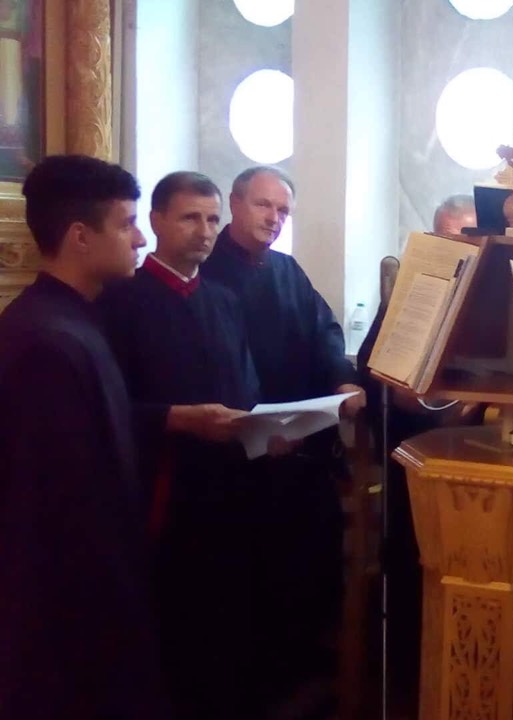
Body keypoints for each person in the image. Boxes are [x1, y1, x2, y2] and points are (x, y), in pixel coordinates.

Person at [0, 155, 166, 718]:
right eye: (127, 224)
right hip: (67, 618)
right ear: (79, 236)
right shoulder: (46, 342)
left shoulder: (73, 322)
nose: (140, 239)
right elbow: (62, 508)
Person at [200, 165, 366, 716]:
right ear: (234, 203)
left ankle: (307, 672)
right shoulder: (206, 275)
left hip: (302, 447)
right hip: (239, 458)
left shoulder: (287, 270)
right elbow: (220, 364)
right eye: (264, 205)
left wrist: (341, 379)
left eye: (283, 211)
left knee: (313, 559)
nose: (274, 219)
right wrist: (261, 428)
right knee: (252, 577)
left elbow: (324, 331)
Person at [98, 171, 264, 719]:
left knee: (228, 621)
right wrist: (179, 421)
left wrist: (267, 428)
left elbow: (247, 388)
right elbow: (107, 406)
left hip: (229, 487)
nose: (205, 231)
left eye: (213, 219)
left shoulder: (224, 300)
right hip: (163, 490)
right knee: (172, 626)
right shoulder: (121, 300)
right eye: (190, 217)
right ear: (156, 221)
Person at [355, 193, 478, 715]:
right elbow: (373, 365)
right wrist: (406, 394)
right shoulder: (413, 287)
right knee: (412, 561)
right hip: (414, 453)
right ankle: (410, 678)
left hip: (477, 452)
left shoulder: (495, 291)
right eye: (447, 237)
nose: (459, 247)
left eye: (469, 236)